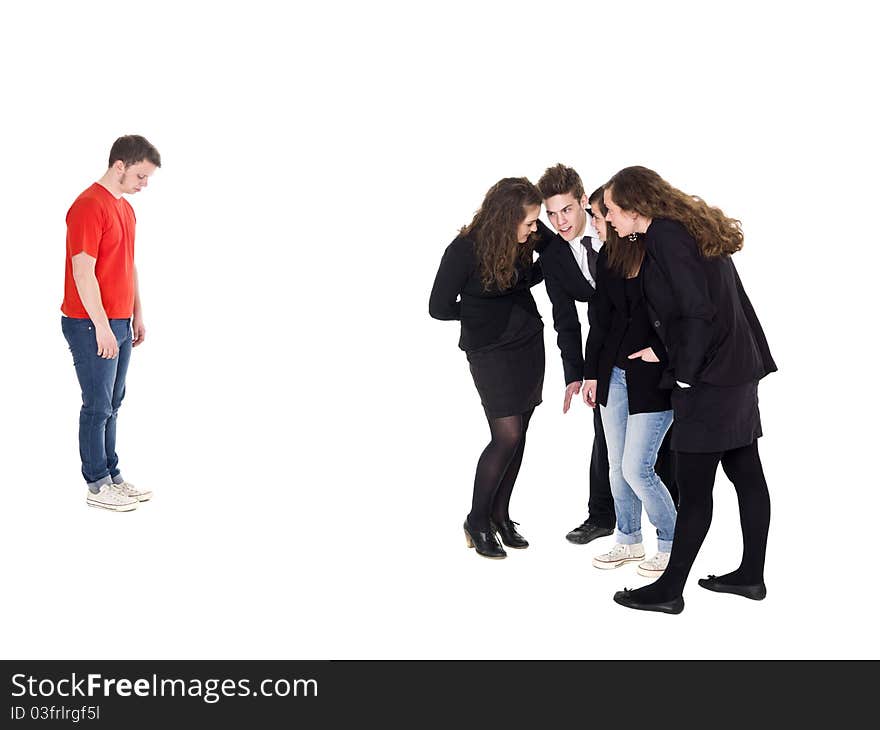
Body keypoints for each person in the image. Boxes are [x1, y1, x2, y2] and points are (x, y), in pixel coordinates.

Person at [602, 166, 776, 614]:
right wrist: (669, 350)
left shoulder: (665, 236)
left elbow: (696, 311)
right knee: (745, 471)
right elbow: (706, 305)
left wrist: (682, 372)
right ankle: (751, 576)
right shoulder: (685, 228)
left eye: (612, 211)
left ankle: (669, 591)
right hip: (736, 369)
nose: (610, 220)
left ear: (634, 208)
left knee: (694, 489)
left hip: (711, 380)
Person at [537, 165, 675, 546]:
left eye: (566, 210)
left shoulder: (617, 225)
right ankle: (606, 517)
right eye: (551, 214)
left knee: (654, 442)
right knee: (609, 440)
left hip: (649, 347)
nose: (559, 221)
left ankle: (671, 523)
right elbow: (567, 321)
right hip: (608, 351)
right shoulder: (553, 257)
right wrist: (577, 375)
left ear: (584, 202)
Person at [429, 178, 546, 559]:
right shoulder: (464, 249)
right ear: (506, 217)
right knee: (506, 435)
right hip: (490, 351)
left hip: (528, 341)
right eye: (529, 222)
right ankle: (477, 520)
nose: (534, 229)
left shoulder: (525, 238)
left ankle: (500, 514)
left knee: (522, 431)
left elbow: (540, 269)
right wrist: (479, 313)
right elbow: (439, 306)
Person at [61, 135, 161, 512]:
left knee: (114, 403)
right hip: (89, 323)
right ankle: (97, 485)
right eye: (140, 176)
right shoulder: (89, 206)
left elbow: (128, 264)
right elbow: (82, 272)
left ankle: (113, 474)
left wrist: (137, 313)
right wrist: (102, 325)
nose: (144, 184)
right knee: (97, 405)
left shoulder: (125, 209)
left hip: (118, 320)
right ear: (119, 165)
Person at [581, 191, 676, 579]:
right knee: (617, 467)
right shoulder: (608, 257)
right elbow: (599, 321)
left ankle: (672, 540)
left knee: (638, 468)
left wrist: (662, 349)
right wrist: (591, 374)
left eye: (600, 217)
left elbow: (682, 310)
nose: (596, 225)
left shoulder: (659, 251)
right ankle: (628, 536)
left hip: (653, 377)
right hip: (613, 374)